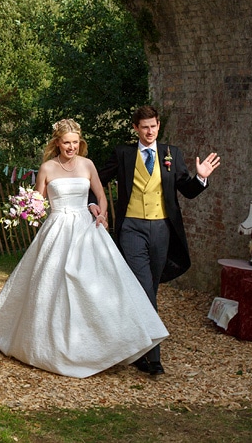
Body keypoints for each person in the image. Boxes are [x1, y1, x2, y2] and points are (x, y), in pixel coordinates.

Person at [0, 119, 168, 378]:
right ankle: (51, 345)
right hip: (57, 228)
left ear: (79, 142)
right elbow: (39, 200)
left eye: (74, 142)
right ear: (57, 143)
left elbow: (100, 194)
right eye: (66, 142)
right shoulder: (47, 167)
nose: (71, 147)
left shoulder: (88, 164)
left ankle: (106, 343)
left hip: (86, 228)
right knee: (52, 283)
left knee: (95, 284)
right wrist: (28, 208)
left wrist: (100, 212)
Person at [97, 105, 220, 376]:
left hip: (162, 230)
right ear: (135, 129)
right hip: (132, 229)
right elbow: (97, 181)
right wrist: (92, 206)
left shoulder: (171, 153)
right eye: (144, 127)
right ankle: (153, 357)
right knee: (143, 286)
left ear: (158, 125)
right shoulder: (124, 154)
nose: (150, 131)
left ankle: (137, 349)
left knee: (149, 288)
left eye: (153, 125)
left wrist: (200, 178)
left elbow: (186, 191)